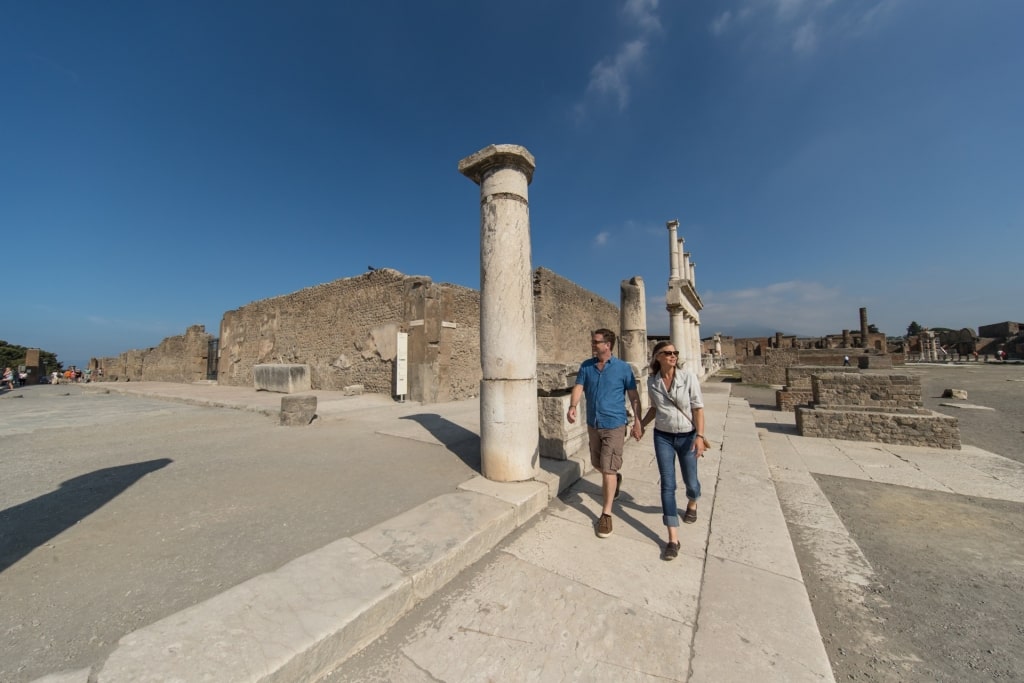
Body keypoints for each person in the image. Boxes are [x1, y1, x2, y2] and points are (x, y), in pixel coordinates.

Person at [567, 328, 643, 539]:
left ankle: (606, 514)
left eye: (596, 341)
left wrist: (638, 421)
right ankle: (615, 478)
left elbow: (634, 396)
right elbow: (579, 387)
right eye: (593, 341)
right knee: (597, 464)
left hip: (615, 424)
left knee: (608, 469)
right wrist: (573, 405)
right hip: (593, 423)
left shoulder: (622, 369)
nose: (592, 344)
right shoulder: (586, 366)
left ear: (607, 345)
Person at [639, 340, 707, 561]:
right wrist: (640, 424)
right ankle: (672, 539)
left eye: (675, 352)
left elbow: (697, 408)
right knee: (668, 484)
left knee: (692, 482)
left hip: (687, 436)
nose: (673, 355)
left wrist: (700, 437)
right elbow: (655, 408)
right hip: (663, 436)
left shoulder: (688, 378)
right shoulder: (653, 381)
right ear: (657, 356)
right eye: (667, 353)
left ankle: (692, 501)